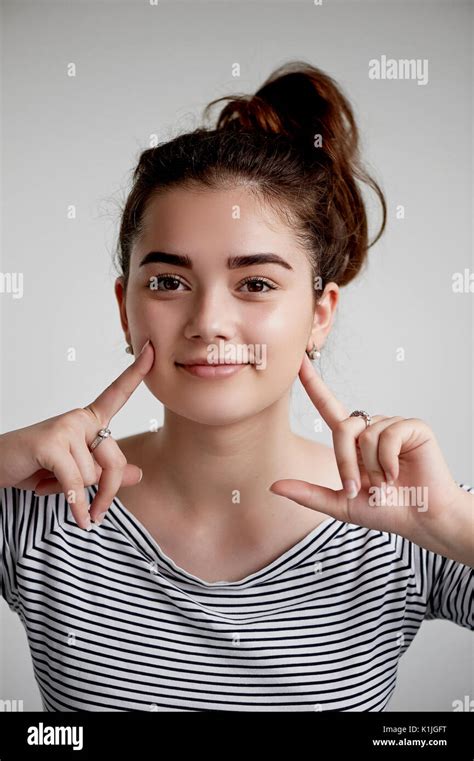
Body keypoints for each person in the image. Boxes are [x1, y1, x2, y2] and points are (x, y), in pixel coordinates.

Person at [0, 61, 472, 712]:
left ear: (321, 312)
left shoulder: (415, 513)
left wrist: (454, 527)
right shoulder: (37, 501)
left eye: (255, 282)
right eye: (168, 281)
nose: (208, 323)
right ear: (124, 305)